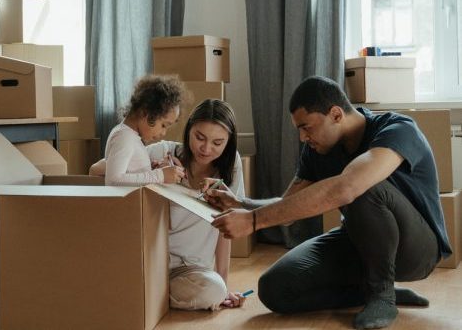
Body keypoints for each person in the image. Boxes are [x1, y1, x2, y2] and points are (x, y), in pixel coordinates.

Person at [207, 76, 451, 329]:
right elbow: (288, 206)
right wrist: (241, 205)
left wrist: (253, 221)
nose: (302, 137)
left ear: (335, 114)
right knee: (275, 289)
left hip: (417, 250)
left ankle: (382, 294)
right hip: (359, 242)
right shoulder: (317, 150)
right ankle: (369, 291)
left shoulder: (398, 129)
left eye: (307, 127)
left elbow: (348, 188)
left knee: (361, 186)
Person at [92, 98, 248, 310]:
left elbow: (226, 229)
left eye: (217, 143)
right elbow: (96, 170)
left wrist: (224, 285)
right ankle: (145, 292)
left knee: (214, 291)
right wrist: (153, 174)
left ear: (228, 142)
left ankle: (143, 294)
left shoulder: (232, 167)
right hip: (150, 261)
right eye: (199, 137)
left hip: (191, 270)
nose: (206, 148)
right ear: (188, 130)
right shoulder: (162, 152)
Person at [103, 74, 186, 186]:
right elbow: (113, 180)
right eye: (163, 125)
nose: (163, 133)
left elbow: (130, 174)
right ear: (145, 112)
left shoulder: (131, 136)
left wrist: (149, 170)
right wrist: (160, 175)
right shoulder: (124, 137)